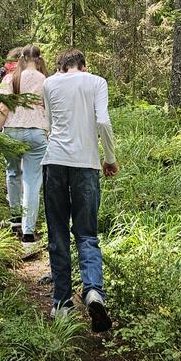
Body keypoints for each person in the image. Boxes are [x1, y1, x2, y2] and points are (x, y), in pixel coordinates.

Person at [41, 48, 119, 333]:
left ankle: (61, 302)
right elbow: (103, 122)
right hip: (86, 166)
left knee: (58, 232)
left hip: (54, 163)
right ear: (84, 66)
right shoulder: (96, 82)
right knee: (87, 233)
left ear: (60, 67)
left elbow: (48, 125)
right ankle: (94, 291)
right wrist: (109, 158)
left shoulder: (49, 83)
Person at [0, 45, 48, 249]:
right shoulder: (46, 81)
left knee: (13, 173)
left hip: (12, 131)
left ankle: (15, 219)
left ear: (22, 59)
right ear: (39, 59)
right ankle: (28, 232)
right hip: (37, 132)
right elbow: (49, 110)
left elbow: (3, 108)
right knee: (32, 182)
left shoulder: (11, 79)